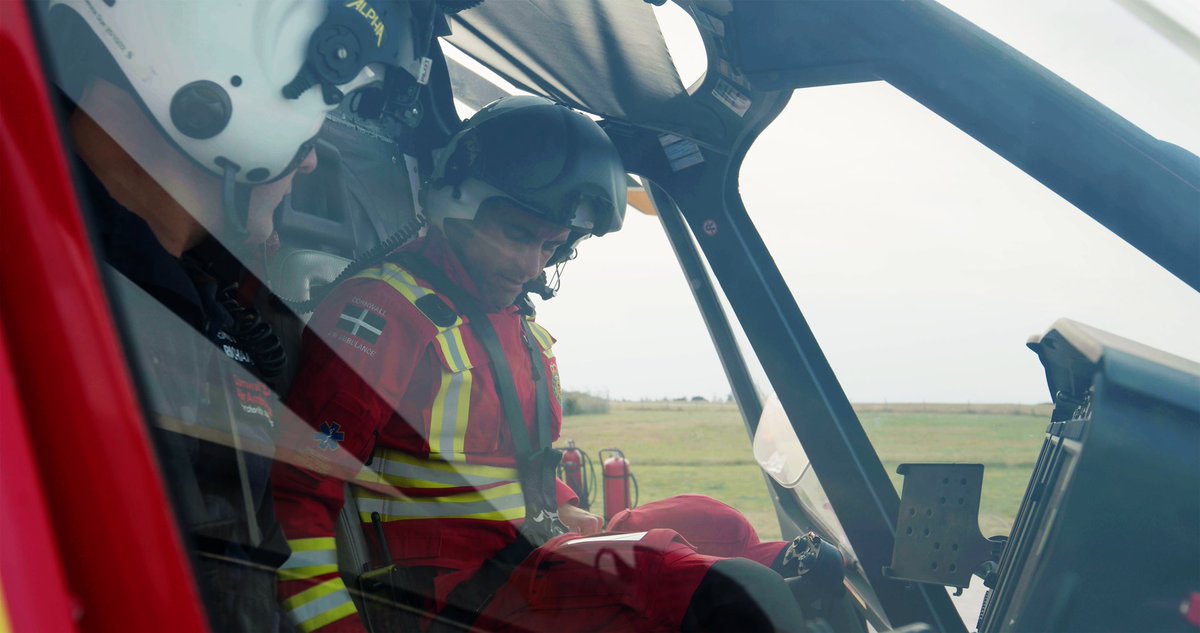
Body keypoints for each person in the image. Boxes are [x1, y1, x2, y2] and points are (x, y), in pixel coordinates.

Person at [273, 96, 811, 632]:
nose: (531, 266)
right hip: (457, 597)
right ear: (457, 204)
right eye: (516, 234)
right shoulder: (381, 314)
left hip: (535, 549)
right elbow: (296, 495)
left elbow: (510, 462)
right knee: (740, 595)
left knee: (721, 526)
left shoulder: (512, 323)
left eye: (552, 246)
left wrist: (564, 505)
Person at [42, 0, 400, 629]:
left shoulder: (209, 306)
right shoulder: (44, 290)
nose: (312, 161)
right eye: (311, 127)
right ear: (218, 92)